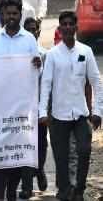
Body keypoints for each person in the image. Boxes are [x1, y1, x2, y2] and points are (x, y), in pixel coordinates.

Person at [39, 11, 103, 201]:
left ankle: (79, 189)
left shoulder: (86, 51)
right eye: (64, 24)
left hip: (81, 114)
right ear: (59, 28)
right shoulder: (52, 55)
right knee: (61, 157)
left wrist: (97, 111)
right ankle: (64, 190)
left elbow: (96, 82)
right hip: (58, 115)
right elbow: (46, 85)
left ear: (76, 27)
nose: (67, 27)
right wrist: (43, 111)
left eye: (70, 24)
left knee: (84, 150)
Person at [0, 0, 42, 201]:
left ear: (20, 15)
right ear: (3, 15)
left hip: (20, 111)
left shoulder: (29, 39)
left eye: (15, 14)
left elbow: (37, 70)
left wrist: (38, 63)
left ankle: (11, 192)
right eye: (8, 13)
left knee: (16, 156)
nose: (11, 17)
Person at [19, 17, 49, 199]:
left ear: (38, 32)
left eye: (34, 29)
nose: (31, 32)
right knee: (26, 144)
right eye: (28, 29)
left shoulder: (45, 54)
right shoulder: (18, 52)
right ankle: (27, 186)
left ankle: (40, 169)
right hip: (21, 107)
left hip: (40, 107)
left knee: (42, 144)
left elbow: (47, 82)